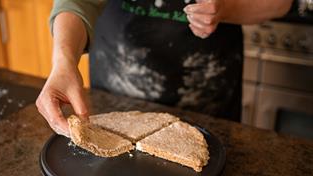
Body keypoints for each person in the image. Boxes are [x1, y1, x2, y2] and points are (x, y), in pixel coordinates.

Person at [36, 0, 293, 137]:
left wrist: (227, 7)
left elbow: (279, 2)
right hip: (115, 93)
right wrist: (64, 62)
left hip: (208, 99)